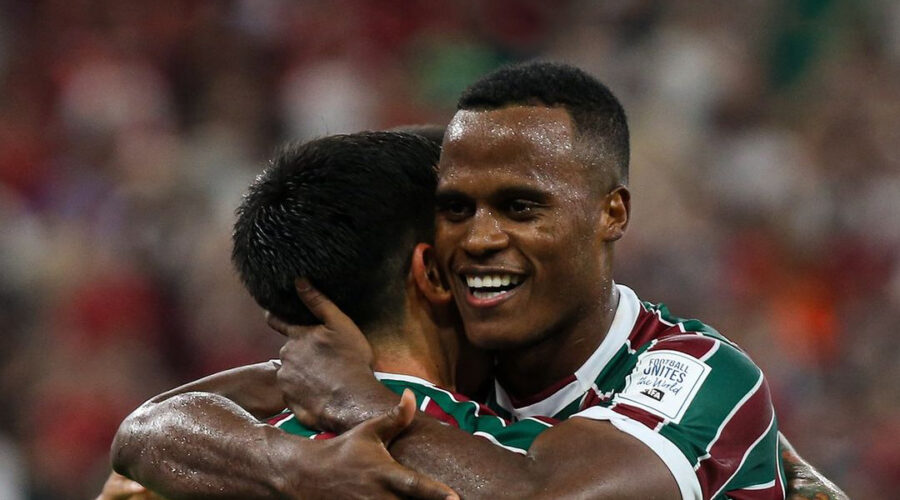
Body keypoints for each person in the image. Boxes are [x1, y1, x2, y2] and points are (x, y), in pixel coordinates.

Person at [111, 64, 848, 499]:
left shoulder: (691, 372)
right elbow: (145, 428)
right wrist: (293, 466)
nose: (481, 237)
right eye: (457, 209)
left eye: (520, 206)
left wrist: (359, 404)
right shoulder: (458, 350)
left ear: (611, 213)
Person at [112, 130, 556, 499]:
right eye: (470, 231)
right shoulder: (526, 459)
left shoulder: (174, 479)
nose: (490, 250)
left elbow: (142, 430)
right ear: (435, 274)